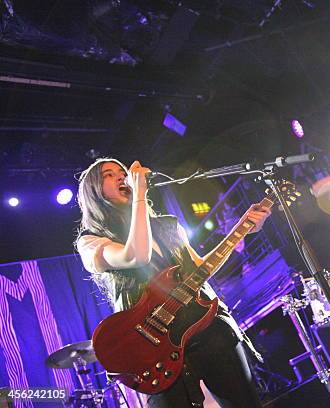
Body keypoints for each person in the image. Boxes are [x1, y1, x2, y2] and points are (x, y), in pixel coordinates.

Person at [75, 158, 272, 408]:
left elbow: (199, 270)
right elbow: (136, 255)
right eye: (109, 175)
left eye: (123, 172)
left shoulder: (168, 225)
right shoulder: (92, 242)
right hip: (152, 348)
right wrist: (139, 197)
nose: (122, 176)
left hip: (207, 330)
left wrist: (241, 229)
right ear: (93, 191)